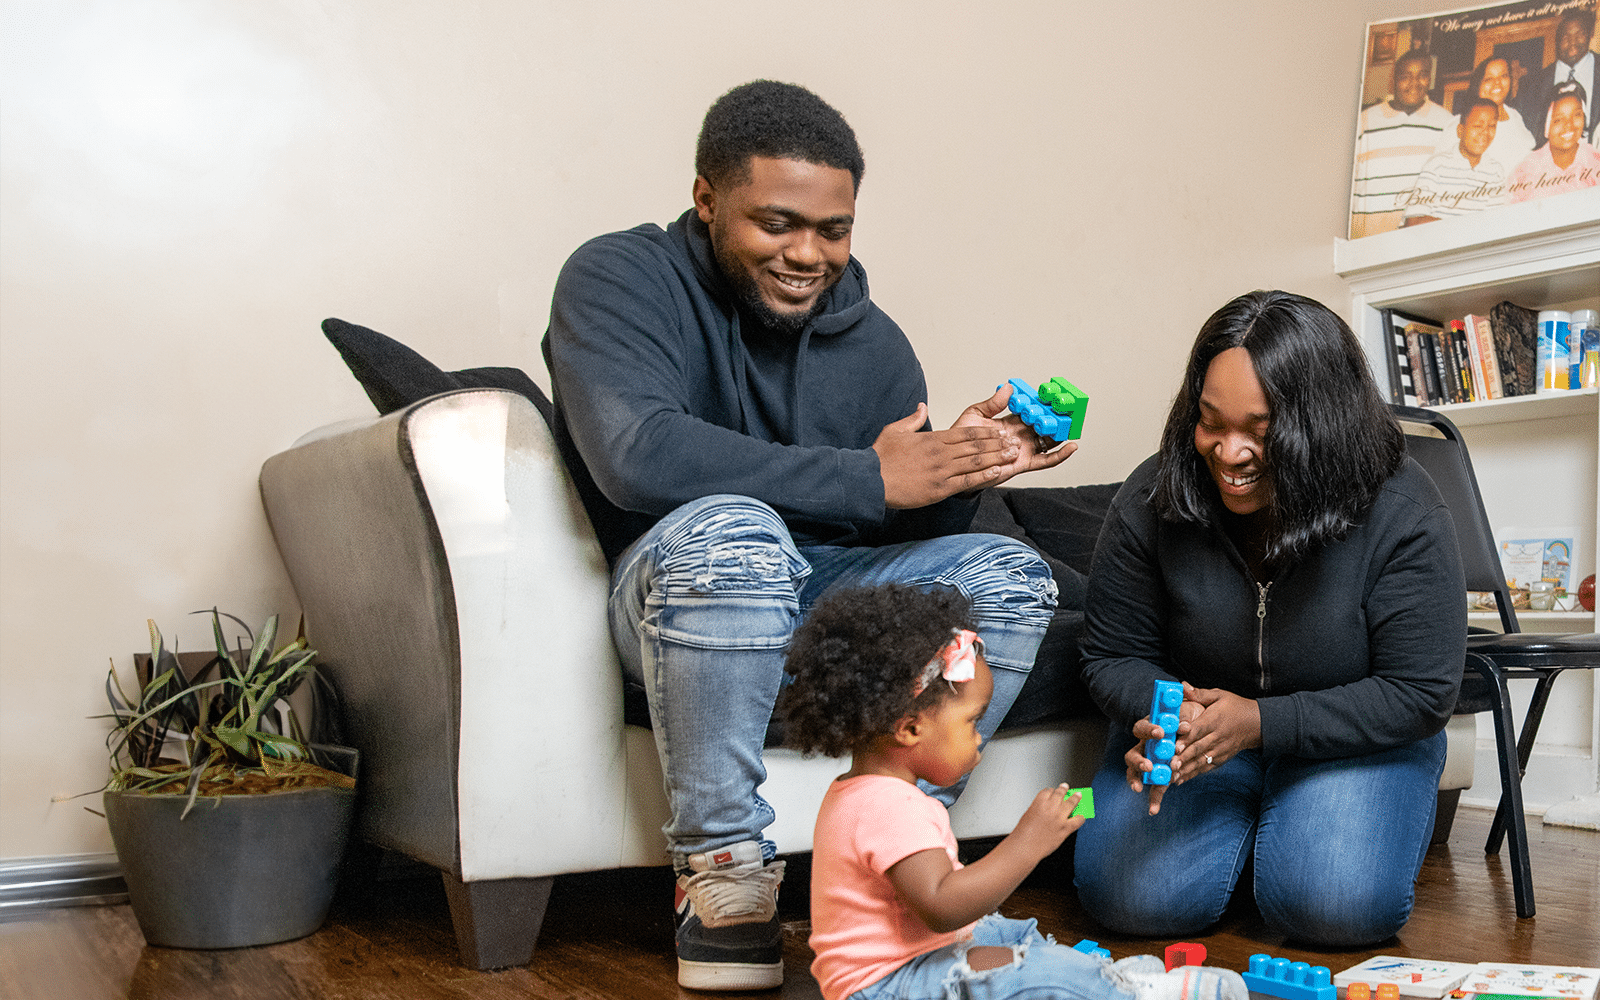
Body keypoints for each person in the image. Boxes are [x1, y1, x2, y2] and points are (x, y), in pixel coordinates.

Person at [541, 80, 1070, 991]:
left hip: (824, 611)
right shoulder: (619, 278)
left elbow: (901, 522)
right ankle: (722, 881)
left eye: (834, 230)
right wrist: (871, 474)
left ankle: (907, 850)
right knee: (738, 534)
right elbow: (635, 452)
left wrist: (956, 469)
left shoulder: (876, 345)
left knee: (1010, 572)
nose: (807, 254)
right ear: (707, 199)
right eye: (776, 223)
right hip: (680, 608)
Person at [1073, 290, 1465, 948]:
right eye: (1210, 421)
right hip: (1201, 741)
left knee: (1331, 906)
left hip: (1352, 744)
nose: (1228, 453)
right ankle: (1261, 832)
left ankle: (1291, 832)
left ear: (1323, 424)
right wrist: (1174, 713)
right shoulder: (1151, 495)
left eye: (1261, 430)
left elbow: (1420, 692)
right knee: (1125, 895)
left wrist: (1258, 725)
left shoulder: (1403, 507)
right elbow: (1110, 655)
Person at [781, 583, 1249, 1000]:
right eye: (971, 722)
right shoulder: (888, 807)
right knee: (1024, 970)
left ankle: (1089, 977)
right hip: (891, 984)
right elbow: (942, 906)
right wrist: (1028, 843)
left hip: (901, 967)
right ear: (909, 729)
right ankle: (1121, 990)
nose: (979, 737)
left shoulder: (860, 792)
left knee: (1000, 930)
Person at [1350, 49, 1458, 236]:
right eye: (1405, 76)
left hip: (1421, 238)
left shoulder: (1446, 122)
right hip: (1368, 238)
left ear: (1429, 80)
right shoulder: (1364, 122)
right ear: (1393, 80)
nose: (1414, 84)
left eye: (1422, 75)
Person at [1402, 98, 1508, 225]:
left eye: (1492, 126)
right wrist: (1462, 229)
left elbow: (1495, 223)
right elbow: (1414, 219)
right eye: (1477, 125)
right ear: (1460, 131)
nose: (1485, 132)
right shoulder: (1437, 166)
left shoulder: (1495, 171)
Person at [1515, 8, 1598, 148]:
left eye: (1580, 34)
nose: (1572, 41)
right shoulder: (1530, 85)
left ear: (1590, 34)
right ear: (1557, 40)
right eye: (1565, 37)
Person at [1506, 83, 1600, 203]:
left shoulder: (1595, 163)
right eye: (1558, 120)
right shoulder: (1525, 172)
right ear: (1547, 126)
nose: (1569, 125)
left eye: (1577, 115)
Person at [1447, 55, 1535, 175]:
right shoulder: (1460, 123)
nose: (1497, 83)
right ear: (1478, 85)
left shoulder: (1515, 115)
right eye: (1489, 79)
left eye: (1503, 76)